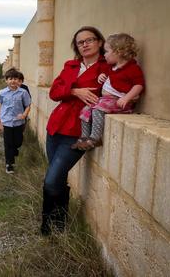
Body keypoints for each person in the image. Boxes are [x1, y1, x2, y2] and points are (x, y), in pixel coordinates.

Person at [41, 26, 108, 235]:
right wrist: (75, 91)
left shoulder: (108, 68)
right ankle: (57, 224)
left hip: (78, 131)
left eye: (90, 40)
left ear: (99, 42)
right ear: (76, 47)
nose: (85, 44)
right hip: (55, 127)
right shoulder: (71, 65)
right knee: (57, 177)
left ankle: (47, 223)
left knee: (52, 180)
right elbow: (54, 92)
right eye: (81, 42)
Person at [72, 33, 145, 150]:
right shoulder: (112, 67)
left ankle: (95, 138)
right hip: (106, 101)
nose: (104, 55)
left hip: (119, 102)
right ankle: (84, 137)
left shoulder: (132, 68)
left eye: (106, 51)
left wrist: (126, 98)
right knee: (85, 110)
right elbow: (109, 77)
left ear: (118, 52)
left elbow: (138, 85)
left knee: (97, 110)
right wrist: (102, 76)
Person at [0, 68, 32, 174]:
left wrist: (24, 114)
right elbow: (0, 104)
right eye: (10, 78)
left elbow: (28, 105)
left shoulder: (23, 92)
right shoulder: (2, 92)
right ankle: (9, 164)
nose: (13, 81)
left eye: (15, 79)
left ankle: (15, 149)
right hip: (6, 121)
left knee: (18, 142)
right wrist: (0, 119)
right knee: (8, 144)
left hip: (18, 122)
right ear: (6, 80)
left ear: (18, 80)